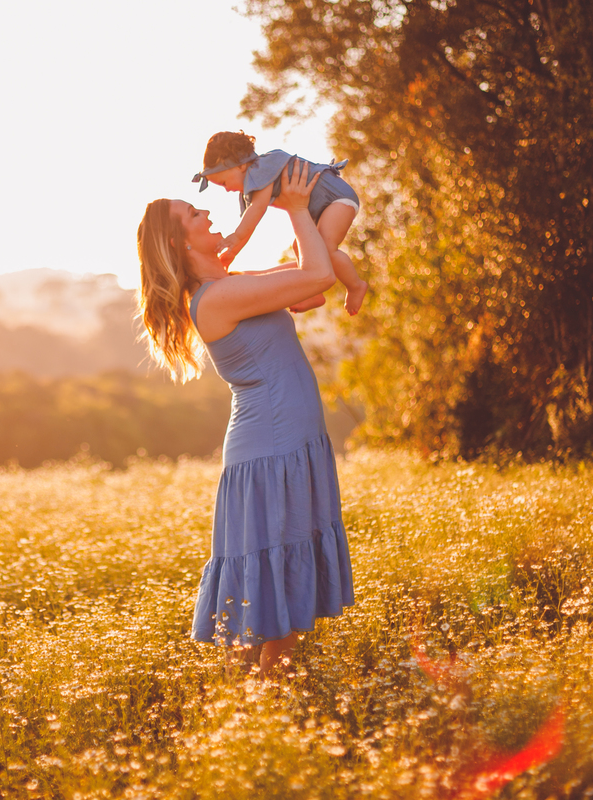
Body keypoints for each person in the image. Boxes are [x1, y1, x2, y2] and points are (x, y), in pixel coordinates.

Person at [137, 160, 355, 677]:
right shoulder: (217, 298)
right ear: (180, 242)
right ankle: (259, 706)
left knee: (278, 592)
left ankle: (254, 704)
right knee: (272, 601)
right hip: (273, 448)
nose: (206, 210)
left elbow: (310, 291)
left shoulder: (233, 284)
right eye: (194, 212)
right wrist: (298, 209)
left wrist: (292, 216)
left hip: (287, 442)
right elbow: (320, 273)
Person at [192, 130, 369, 316]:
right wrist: (232, 253)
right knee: (302, 247)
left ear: (239, 165)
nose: (227, 189)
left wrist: (235, 239)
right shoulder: (254, 181)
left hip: (336, 197)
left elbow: (256, 212)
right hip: (321, 206)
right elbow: (250, 217)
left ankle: (355, 285)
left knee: (325, 247)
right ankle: (312, 291)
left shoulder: (262, 169)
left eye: (223, 183)